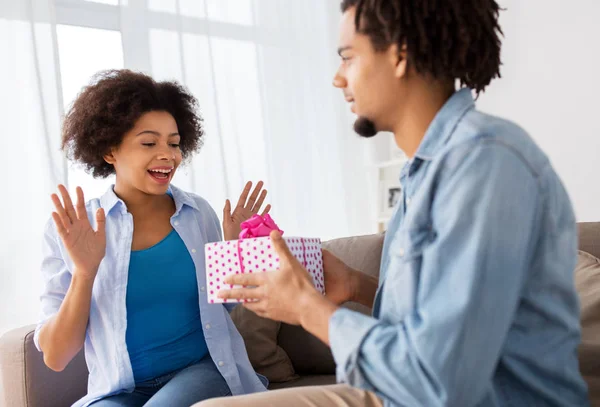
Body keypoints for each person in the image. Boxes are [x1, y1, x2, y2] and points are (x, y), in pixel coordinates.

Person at [197, 0, 590, 406]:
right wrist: (356, 285)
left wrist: (305, 307)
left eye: (348, 58)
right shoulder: (427, 171)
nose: (337, 79)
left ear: (400, 55)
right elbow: (435, 318)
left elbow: (441, 380)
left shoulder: (483, 164)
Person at [34, 69, 270, 407]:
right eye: (149, 143)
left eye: (174, 143)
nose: (168, 155)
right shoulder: (73, 229)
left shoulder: (197, 213)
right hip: (118, 390)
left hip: (201, 371)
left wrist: (233, 251)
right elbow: (56, 357)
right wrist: (85, 273)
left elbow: (222, 308)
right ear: (109, 150)